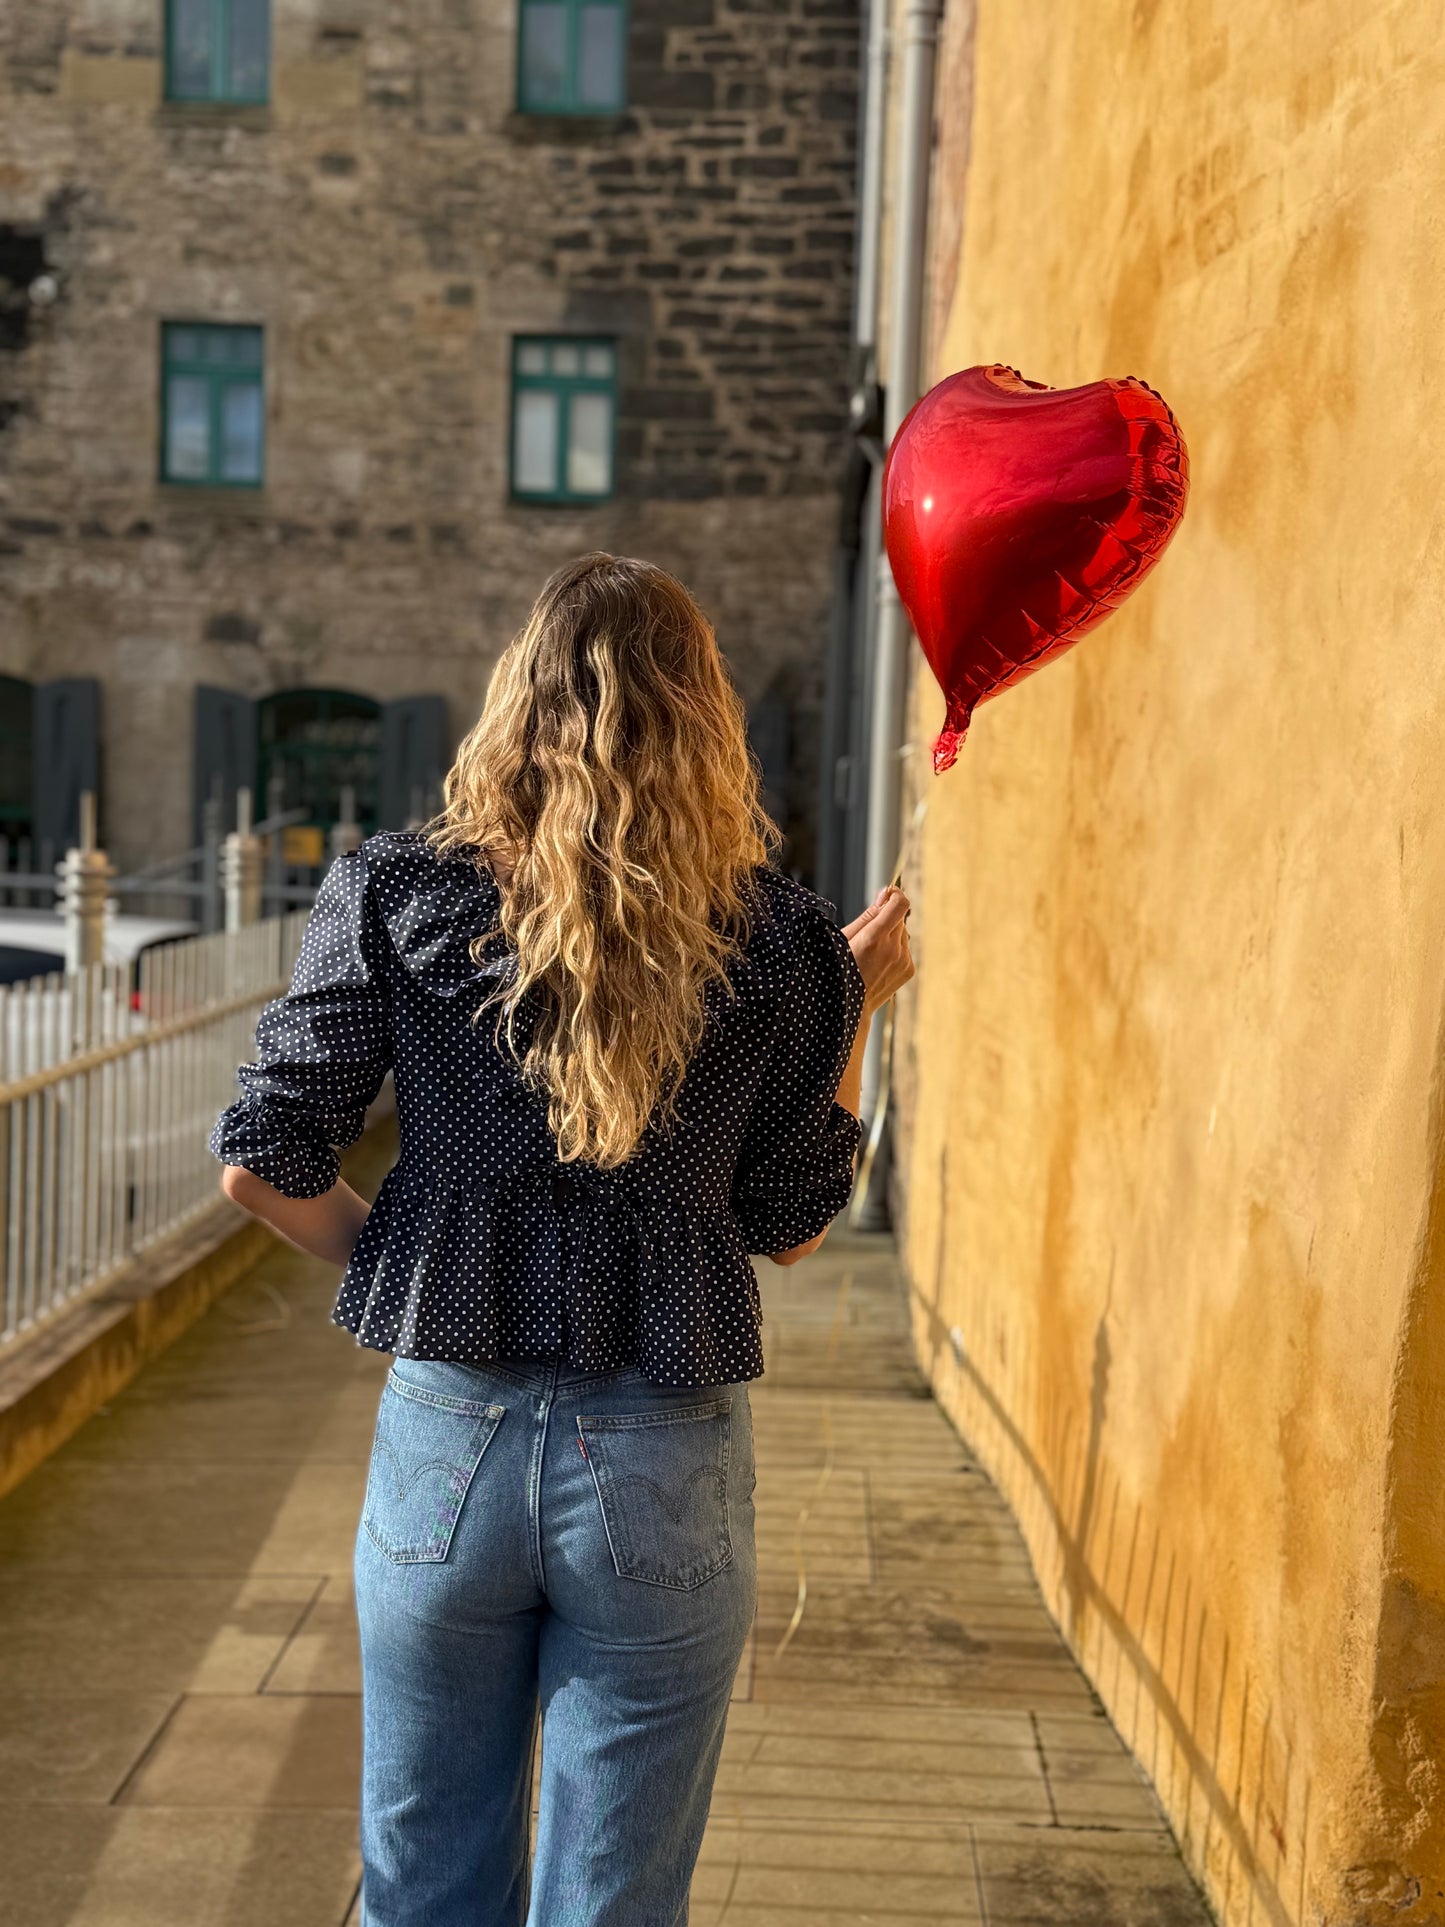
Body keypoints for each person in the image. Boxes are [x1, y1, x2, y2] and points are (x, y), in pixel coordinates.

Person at [211, 551, 914, 1927]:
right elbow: (787, 1227)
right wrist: (860, 1004)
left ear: (512, 703)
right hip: (660, 1456)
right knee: (611, 1903)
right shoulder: (780, 945)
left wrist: (416, 1274)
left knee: (420, 1890)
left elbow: (262, 1168)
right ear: (706, 716)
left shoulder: (396, 894)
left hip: (444, 1450)